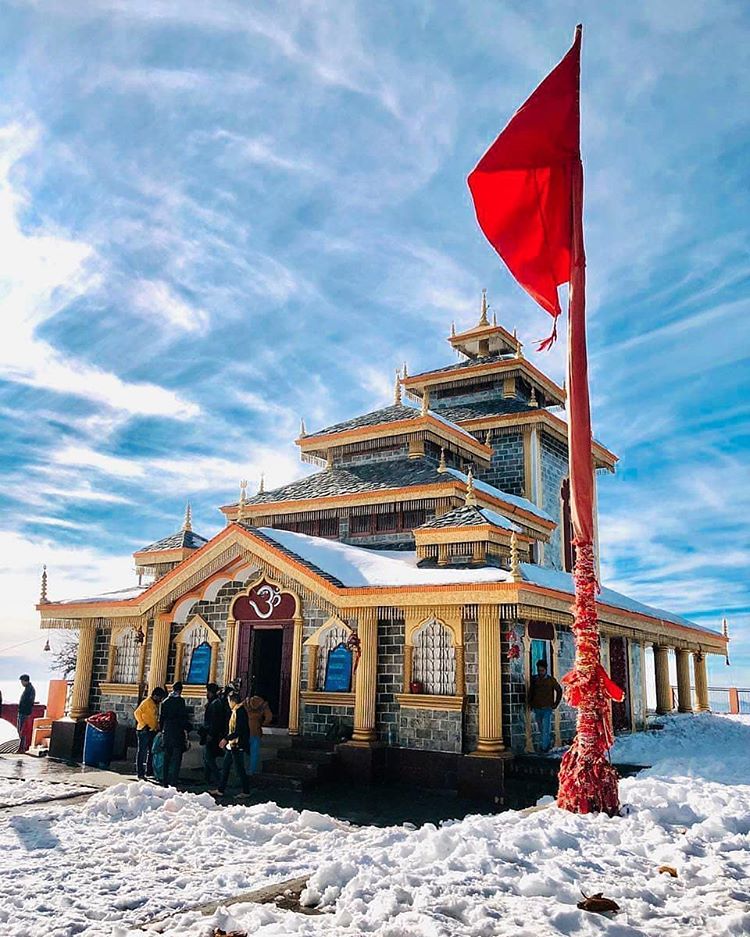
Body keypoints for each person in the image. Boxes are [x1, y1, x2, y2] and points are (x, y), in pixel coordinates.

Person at [214, 692, 250, 798]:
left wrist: (226, 738)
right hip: (232, 744)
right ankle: (221, 789)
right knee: (225, 767)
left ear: (233, 701)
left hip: (237, 744)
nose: (229, 704)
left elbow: (239, 730)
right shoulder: (235, 711)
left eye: (229, 701)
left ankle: (246, 791)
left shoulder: (240, 712)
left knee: (239, 769)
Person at [158, 682, 190, 787]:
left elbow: (161, 718)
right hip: (177, 733)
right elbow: (183, 718)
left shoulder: (165, 702)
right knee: (176, 759)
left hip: (167, 732)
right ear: (180, 690)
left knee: (166, 758)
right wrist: (187, 729)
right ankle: (173, 781)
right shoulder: (180, 702)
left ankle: (165, 780)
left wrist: (162, 730)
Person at [527, 659, 562, 753]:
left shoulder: (551, 680)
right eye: (539, 670)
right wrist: (530, 703)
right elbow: (531, 692)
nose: (540, 672)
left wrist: (555, 703)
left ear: (546, 670)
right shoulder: (535, 679)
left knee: (546, 728)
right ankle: (546, 744)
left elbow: (559, 690)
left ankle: (544, 748)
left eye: (542, 670)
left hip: (547, 708)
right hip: (537, 707)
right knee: (541, 728)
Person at [133, 686, 166, 780]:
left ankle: (149, 771)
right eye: (160, 698)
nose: (160, 700)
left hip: (152, 731)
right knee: (142, 752)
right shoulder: (146, 702)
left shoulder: (155, 704)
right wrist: (143, 725)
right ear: (155, 696)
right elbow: (137, 713)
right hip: (143, 730)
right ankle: (140, 773)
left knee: (151, 752)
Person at [201, 682, 227, 786]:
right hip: (211, 733)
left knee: (208, 757)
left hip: (212, 734)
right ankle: (207, 777)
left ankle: (219, 778)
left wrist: (210, 734)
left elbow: (215, 721)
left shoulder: (216, 704)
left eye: (208, 692)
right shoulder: (214, 703)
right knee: (208, 756)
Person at [244, 692, 273, 775]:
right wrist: (262, 723)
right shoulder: (263, 705)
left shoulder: (246, 703)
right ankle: (252, 770)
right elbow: (269, 717)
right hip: (256, 730)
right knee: (254, 752)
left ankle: (242, 769)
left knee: (242, 750)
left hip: (246, 730)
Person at [17, 675, 35, 752]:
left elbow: (30, 701)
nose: (21, 683)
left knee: (22, 731)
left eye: (22, 681)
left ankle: (22, 748)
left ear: (25, 681)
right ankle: (21, 748)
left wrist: (24, 710)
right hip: (22, 712)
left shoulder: (30, 689)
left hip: (24, 713)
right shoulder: (28, 689)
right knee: (20, 730)